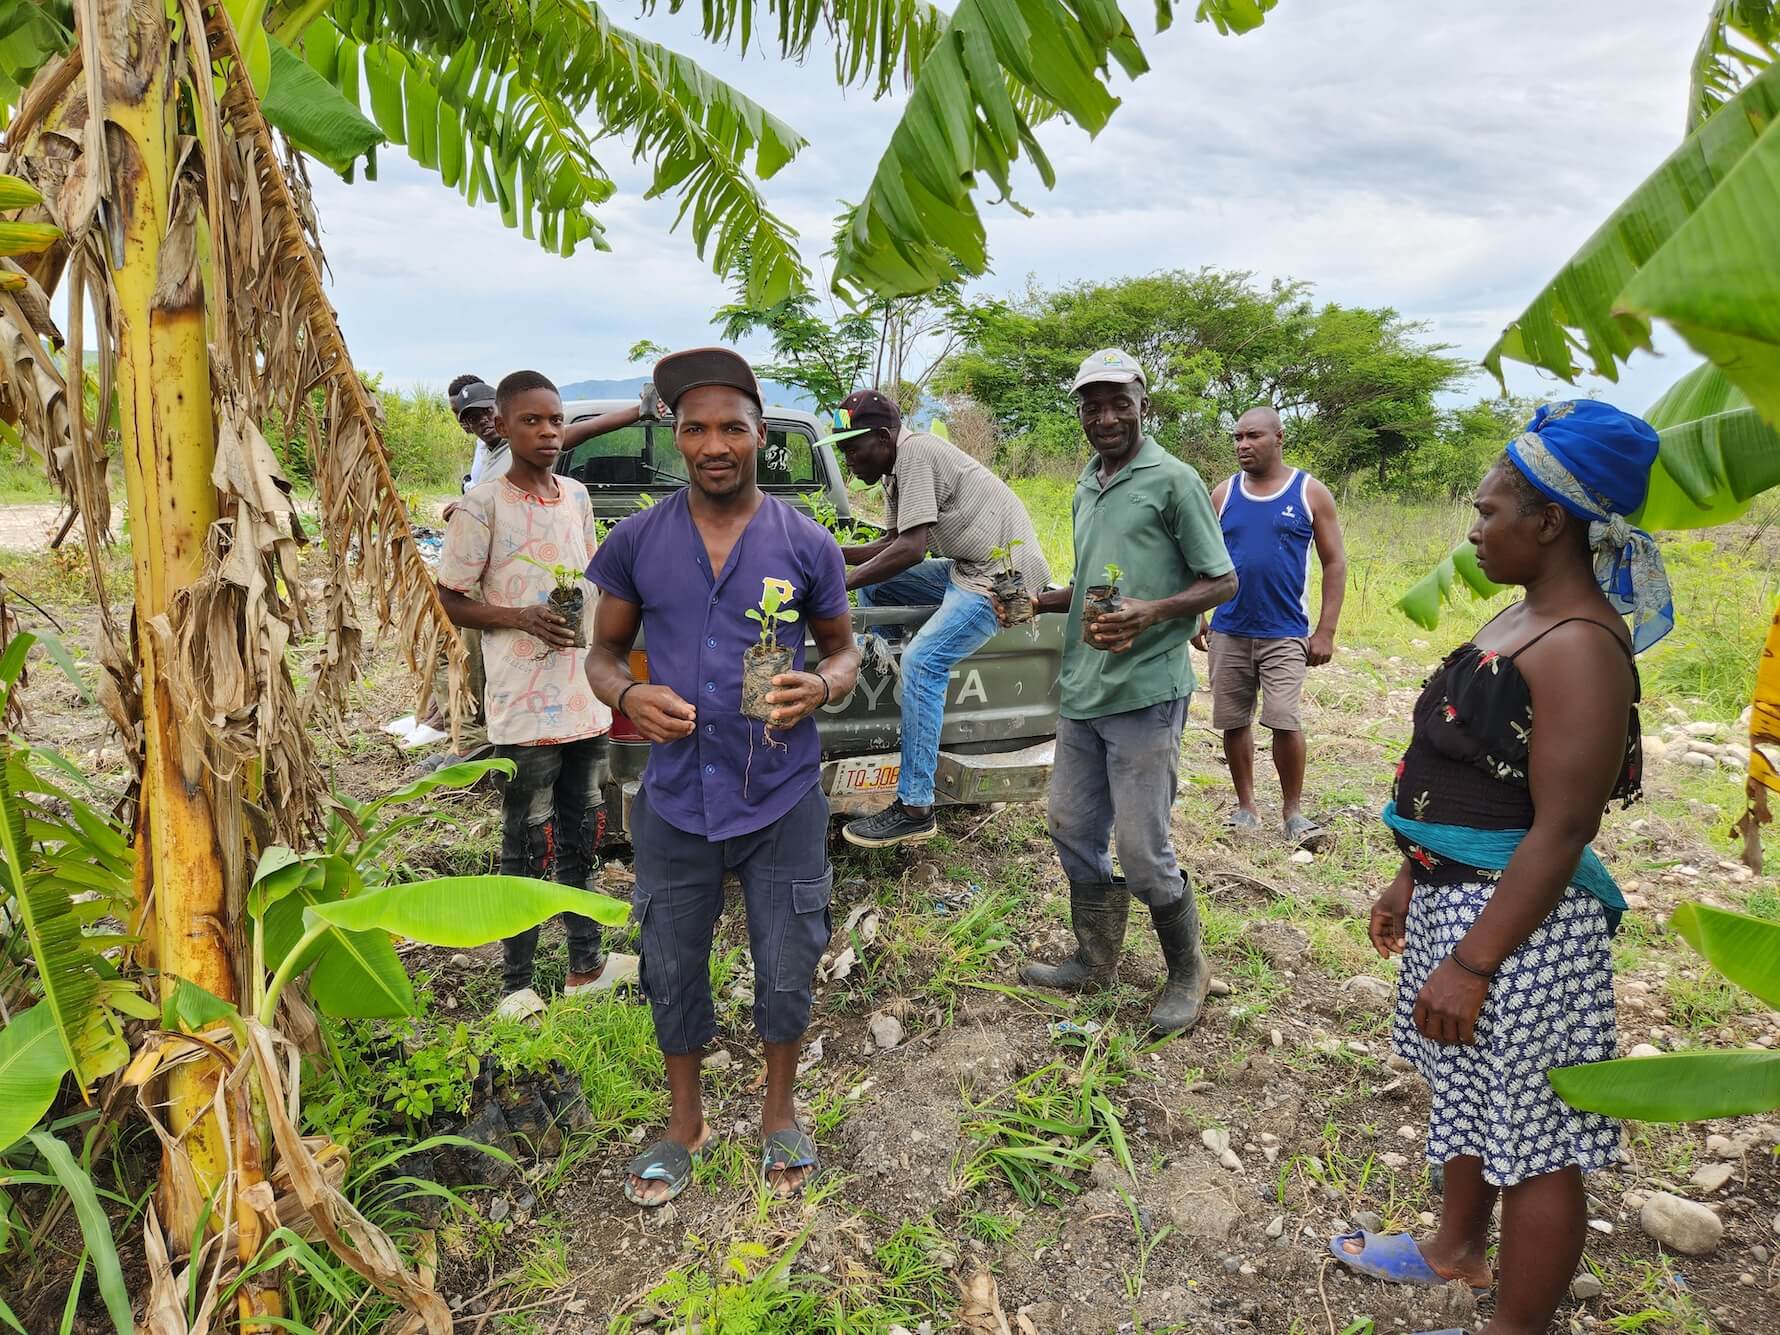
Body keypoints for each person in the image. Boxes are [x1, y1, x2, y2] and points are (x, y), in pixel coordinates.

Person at [1331, 401, 1667, 1335]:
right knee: (1471, 1092)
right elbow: (1470, 773)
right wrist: (1411, 873)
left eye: (1488, 513)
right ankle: (1454, 1249)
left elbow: (1559, 830)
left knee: (1539, 1142)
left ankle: (1514, 1326)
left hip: (1522, 935)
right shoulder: (1522, 614)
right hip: (1462, 903)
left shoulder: (1582, 650)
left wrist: (1473, 960)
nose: (1474, 530)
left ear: (1550, 521)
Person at [585, 347, 860, 1207]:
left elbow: (845, 651)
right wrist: (631, 691)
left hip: (782, 795)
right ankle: (685, 1123)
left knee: (788, 957)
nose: (714, 443)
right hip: (673, 798)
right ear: (676, 437)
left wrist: (819, 683)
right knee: (671, 961)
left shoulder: (806, 541)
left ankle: (780, 1111)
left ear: (760, 437)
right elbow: (599, 653)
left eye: (732, 427)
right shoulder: (636, 540)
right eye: (695, 427)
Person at [1019, 349, 1237, 1033]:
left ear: (1146, 404)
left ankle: (1187, 970)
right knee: (1072, 825)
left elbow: (1222, 580)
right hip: (1084, 686)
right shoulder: (1089, 481)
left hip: (1145, 691)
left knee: (1143, 851)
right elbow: (1093, 581)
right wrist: (1044, 600)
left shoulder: (1173, 480)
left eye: (1120, 402)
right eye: (1092, 404)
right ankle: (1095, 957)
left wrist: (1152, 611)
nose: (1105, 416)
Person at [435, 370, 638, 1021]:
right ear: (504, 423)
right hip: (524, 706)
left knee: (584, 831)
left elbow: (588, 571)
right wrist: (521, 617)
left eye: (555, 420)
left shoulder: (576, 496)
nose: (548, 432)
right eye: (532, 421)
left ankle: (586, 965)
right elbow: (449, 598)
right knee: (527, 839)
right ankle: (516, 982)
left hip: (584, 694)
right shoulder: (483, 505)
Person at [831, 389, 1050, 848]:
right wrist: (828, 554)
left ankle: (915, 806)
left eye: (852, 447)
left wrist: (838, 584)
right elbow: (890, 546)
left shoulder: (917, 454)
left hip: (1000, 578)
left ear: (884, 437)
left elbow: (911, 551)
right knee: (879, 585)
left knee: (924, 663)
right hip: (963, 568)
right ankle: (903, 688)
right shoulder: (895, 470)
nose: (847, 459)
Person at [1193, 406, 1347, 842]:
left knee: (1285, 721)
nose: (1243, 445)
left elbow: (1334, 563)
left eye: (1254, 436)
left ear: (1279, 438)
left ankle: (1293, 813)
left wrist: (1326, 631)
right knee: (1234, 721)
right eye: (1238, 437)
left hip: (1285, 630)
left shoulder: (1309, 493)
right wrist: (1197, 614)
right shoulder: (1223, 494)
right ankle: (1245, 808)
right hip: (1229, 628)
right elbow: (1198, 557)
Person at [449, 376, 509, 491]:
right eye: (473, 418)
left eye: (488, 410)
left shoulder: (521, 450)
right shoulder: (488, 450)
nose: (483, 420)